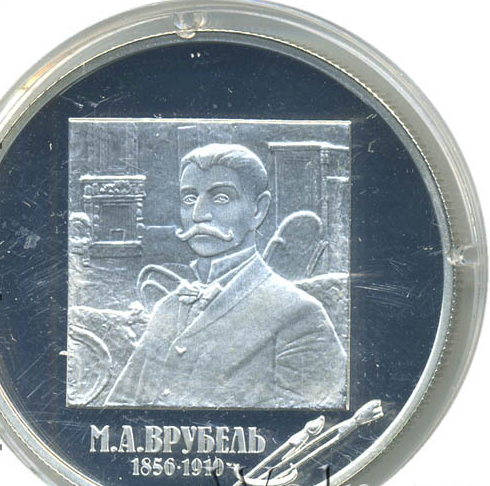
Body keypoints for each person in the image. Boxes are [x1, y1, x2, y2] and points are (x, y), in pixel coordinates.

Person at [105, 144, 347, 409]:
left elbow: (312, 427)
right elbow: (116, 412)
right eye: (189, 199)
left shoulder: (300, 315)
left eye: (220, 198)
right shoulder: (167, 309)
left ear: (258, 210)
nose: (198, 215)